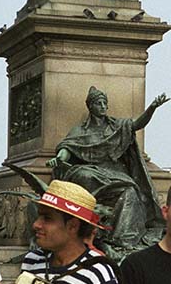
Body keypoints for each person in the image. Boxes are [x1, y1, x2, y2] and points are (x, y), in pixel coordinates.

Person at [47, 86, 169, 255]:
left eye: (105, 103)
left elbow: (136, 124)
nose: (104, 106)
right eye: (99, 103)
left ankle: (122, 239)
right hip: (89, 170)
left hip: (115, 173)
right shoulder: (81, 131)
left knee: (130, 190)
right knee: (84, 175)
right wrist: (59, 158)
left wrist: (152, 108)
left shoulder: (116, 126)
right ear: (91, 106)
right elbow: (68, 147)